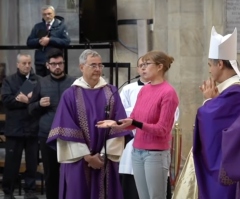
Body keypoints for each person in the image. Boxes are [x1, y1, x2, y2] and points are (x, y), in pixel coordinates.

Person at [46, 49, 132, 199]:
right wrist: (87, 156)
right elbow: (65, 128)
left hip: (105, 160)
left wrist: (103, 155)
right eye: (93, 65)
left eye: (100, 65)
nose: (98, 69)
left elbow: (118, 127)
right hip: (78, 160)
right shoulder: (70, 94)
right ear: (81, 67)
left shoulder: (111, 92)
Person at [97, 50, 179, 199]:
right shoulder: (145, 90)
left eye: (147, 64)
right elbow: (133, 119)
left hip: (155, 153)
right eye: (142, 65)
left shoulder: (168, 92)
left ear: (160, 66)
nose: (143, 68)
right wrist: (115, 123)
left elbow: (162, 129)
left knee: (156, 196)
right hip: (137, 151)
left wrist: (136, 123)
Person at [193, 26, 240, 199]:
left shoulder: (235, 92)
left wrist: (208, 103)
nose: (209, 70)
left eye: (210, 65)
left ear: (220, 64)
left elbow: (214, 122)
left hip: (229, 165)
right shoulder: (228, 91)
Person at [28, 48, 76, 199]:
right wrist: (38, 104)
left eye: (60, 63)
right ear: (47, 65)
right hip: (47, 134)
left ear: (64, 64)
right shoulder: (40, 83)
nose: (57, 67)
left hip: (70, 134)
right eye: (54, 64)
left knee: (71, 173)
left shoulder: (74, 83)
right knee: (51, 173)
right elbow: (30, 109)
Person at [1, 54, 41, 199]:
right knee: (11, 164)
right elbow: (7, 101)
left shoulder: (37, 80)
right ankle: (8, 192)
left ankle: (30, 191)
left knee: (32, 163)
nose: (27, 65)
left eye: (29, 63)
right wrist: (26, 100)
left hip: (32, 127)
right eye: (24, 63)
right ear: (18, 64)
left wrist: (27, 100)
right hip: (14, 129)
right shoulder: (9, 81)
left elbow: (40, 101)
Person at [27, 5, 70, 77]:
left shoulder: (61, 26)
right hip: (40, 62)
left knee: (54, 82)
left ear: (54, 14)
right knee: (40, 83)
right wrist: (39, 41)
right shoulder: (38, 27)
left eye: (49, 13)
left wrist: (50, 40)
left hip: (55, 62)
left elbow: (66, 41)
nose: (47, 16)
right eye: (44, 14)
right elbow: (29, 42)